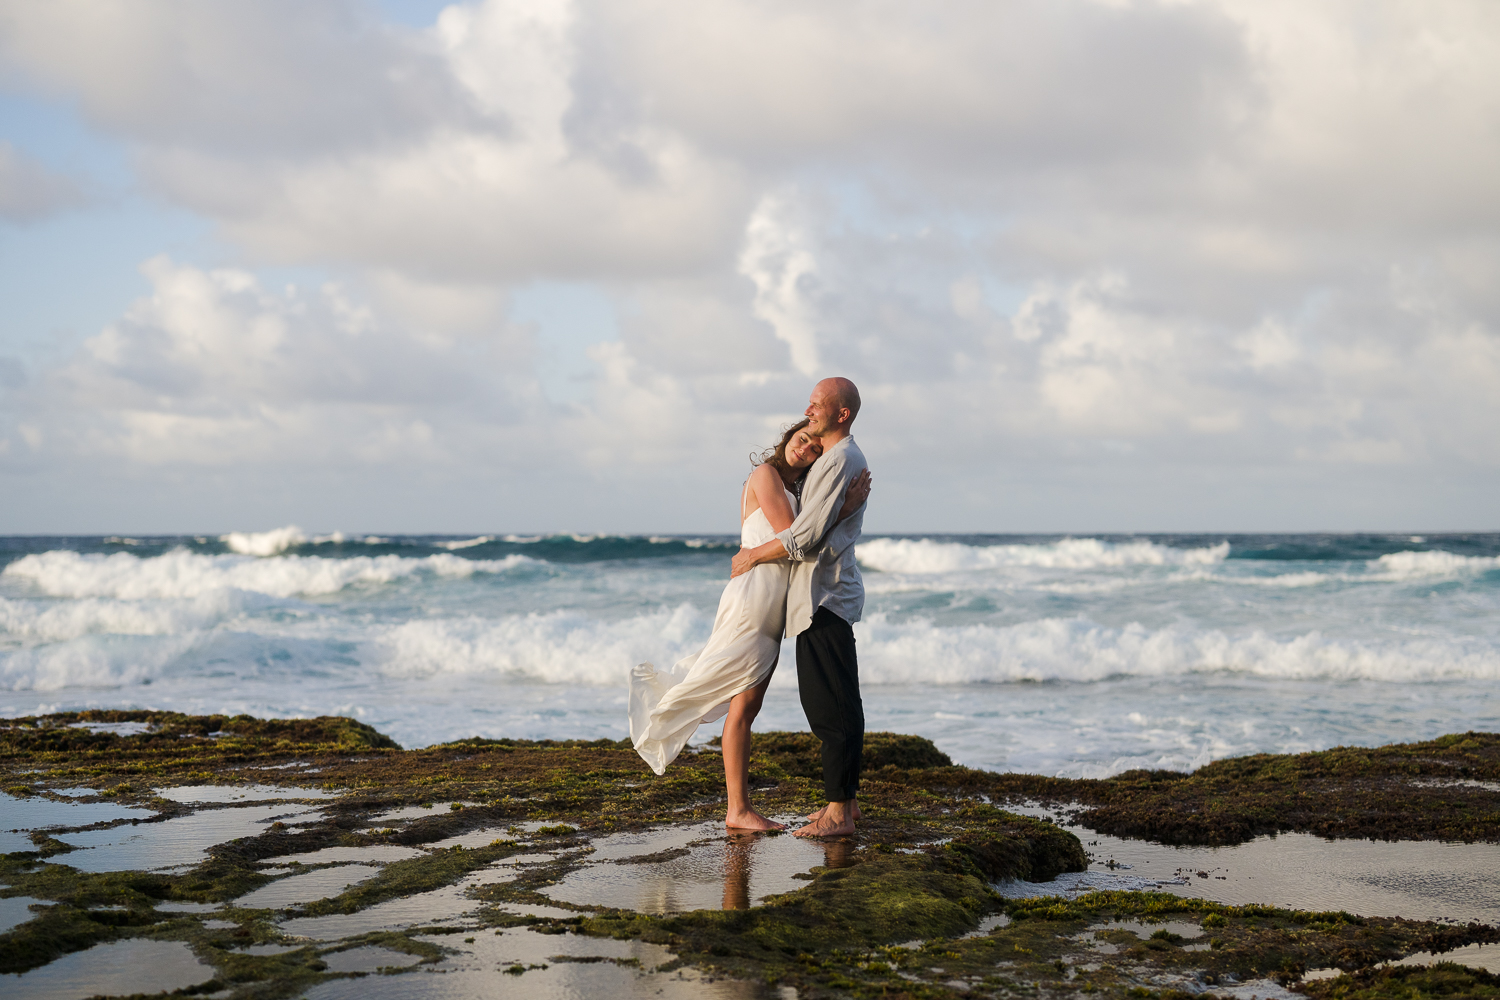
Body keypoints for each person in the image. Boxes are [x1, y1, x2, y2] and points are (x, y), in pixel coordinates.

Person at [629, 418, 871, 830]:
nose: (806, 448)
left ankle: (801, 805)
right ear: (786, 439)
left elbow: (802, 537)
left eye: (815, 447)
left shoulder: (798, 489)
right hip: (752, 601)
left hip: (771, 605)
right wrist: (844, 509)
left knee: (749, 704)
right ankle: (737, 810)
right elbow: (795, 539)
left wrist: (837, 509)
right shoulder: (766, 475)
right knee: (743, 706)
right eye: (801, 439)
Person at [731, 378, 868, 838]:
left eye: (817, 404)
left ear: (841, 414)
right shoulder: (831, 463)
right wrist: (845, 509)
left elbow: (803, 538)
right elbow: (814, 526)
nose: (808, 410)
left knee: (831, 708)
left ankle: (839, 814)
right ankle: (844, 807)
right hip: (815, 597)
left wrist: (752, 554)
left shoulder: (841, 459)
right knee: (833, 702)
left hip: (821, 597)